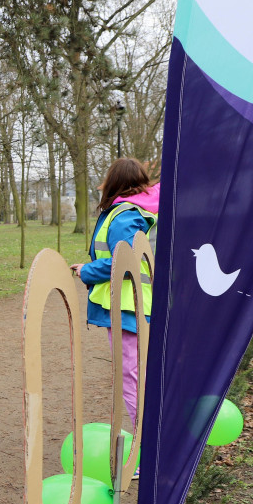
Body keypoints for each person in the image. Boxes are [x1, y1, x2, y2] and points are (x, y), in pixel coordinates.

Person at [71, 158, 158, 434]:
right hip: (137, 304)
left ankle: (145, 450)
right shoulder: (143, 212)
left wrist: (87, 270)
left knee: (130, 379)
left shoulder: (124, 216)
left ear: (115, 183)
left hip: (128, 307)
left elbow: (124, 260)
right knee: (138, 377)